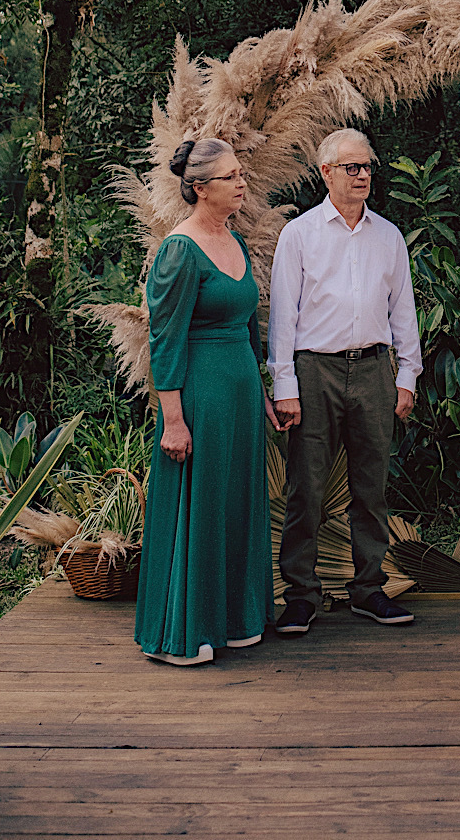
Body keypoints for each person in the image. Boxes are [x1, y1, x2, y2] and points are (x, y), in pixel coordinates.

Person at [268, 128, 423, 631]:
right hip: (316, 371)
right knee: (306, 487)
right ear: (326, 173)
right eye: (351, 167)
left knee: (372, 486)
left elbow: (403, 309)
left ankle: (369, 589)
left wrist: (407, 374)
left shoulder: (388, 236)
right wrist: (285, 386)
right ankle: (300, 595)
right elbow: (283, 316)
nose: (362, 176)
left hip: (375, 370)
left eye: (367, 167)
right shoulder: (300, 234)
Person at [134, 136, 280, 665]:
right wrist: (173, 420)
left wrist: (262, 394)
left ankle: (235, 619)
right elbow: (165, 340)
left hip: (240, 396)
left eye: (241, 173)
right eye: (231, 176)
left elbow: (247, 327)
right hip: (200, 395)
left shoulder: (234, 240)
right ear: (199, 188)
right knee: (201, 504)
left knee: (236, 502)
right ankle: (186, 630)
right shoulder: (179, 249)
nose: (242, 182)